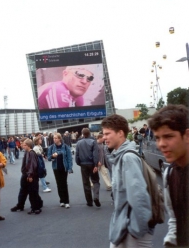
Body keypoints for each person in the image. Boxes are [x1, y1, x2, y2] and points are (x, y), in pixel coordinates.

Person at [101, 114, 153, 248]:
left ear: (120, 133)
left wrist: (137, 230)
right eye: (103, 134)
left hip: (131, 230)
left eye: (107, 133)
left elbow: (139, 196)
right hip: (124, 227)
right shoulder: (120, 156)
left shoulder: (127, 158)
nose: (104, 137)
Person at [148, 104, 189, 247]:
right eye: (157, 138)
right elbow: (175, 219)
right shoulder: (169, 174)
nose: (161, 144)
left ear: (187, 135)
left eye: (168, 136)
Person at [11, 138, 43, 215]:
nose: (22, 146)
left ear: (28, 145)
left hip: (31, 175)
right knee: (30, 191)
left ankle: (36, 207)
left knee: (33, 191)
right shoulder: (28, 152)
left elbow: (32, 165)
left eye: (24, 145)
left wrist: (30, 175)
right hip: (28, 174)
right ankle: (34, 207)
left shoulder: (31, 153)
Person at [75, 128, 101, 207]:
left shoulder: (79, 143)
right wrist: (96, 165)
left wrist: (79, 163)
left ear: (82, 134)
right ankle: (96, 197)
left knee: (86, 183)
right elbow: (95, 154)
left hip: (83, 164)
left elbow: (77, 155)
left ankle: (89, 201)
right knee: (95, 181)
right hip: (92, 164)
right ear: (89, 133)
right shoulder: (93, 142)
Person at [47, 133, 73, 208]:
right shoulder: (51, 147)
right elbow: (48, 158)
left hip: (64, 167)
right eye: (53, 138)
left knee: (64, 183)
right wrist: (52, 156)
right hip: (56, 168)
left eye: (56, 138)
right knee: (59, 184)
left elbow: (69, 158)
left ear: (59, 139)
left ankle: (66, 201)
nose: (54, 139)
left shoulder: (65, 147)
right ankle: (61, 200)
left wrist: (70, 168)